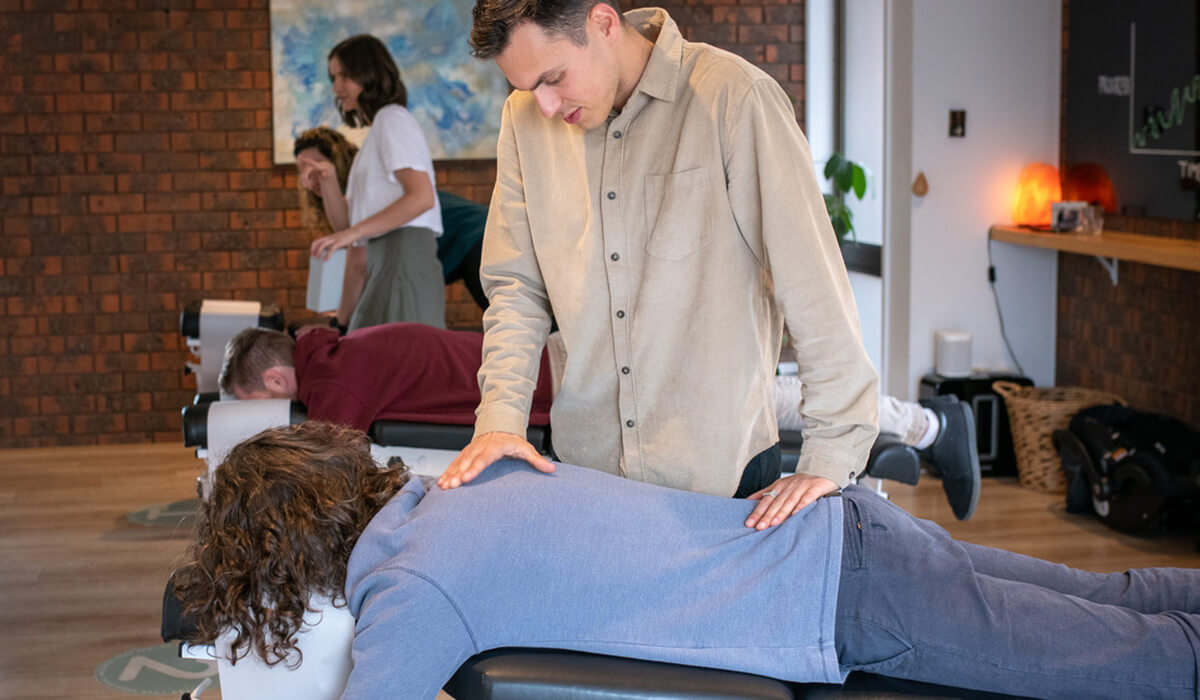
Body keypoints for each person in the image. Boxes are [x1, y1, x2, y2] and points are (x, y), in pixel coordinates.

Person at [174, 422, 1200, 700]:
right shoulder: (459, 481)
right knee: (1118, 599)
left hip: (843, 599)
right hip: (847, 529)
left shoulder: (411, 584)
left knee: (1133, 664)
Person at [441, 0, 884, 532]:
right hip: (585, 473)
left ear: (602, 24)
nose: (547, 106)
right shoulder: (524, 121)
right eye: (527, 87)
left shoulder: (734, 98)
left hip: (725, 485)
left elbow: (812, 284)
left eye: (554, 78)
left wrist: (831, 456)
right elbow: (516, 288)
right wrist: (500, 420)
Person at [220, 324, 981, 519]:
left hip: (573, 382)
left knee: (758, 399)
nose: (266, 428)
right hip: (567, 376)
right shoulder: (339, 352)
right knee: (753, 399)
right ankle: (914, 441)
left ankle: (926, 426)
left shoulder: (336, 376)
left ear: (278, 379)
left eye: (259, 411)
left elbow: (333, 460)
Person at [301, 34, 445, 331]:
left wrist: (350, 234)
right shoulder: (374, 139)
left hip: (404, 261)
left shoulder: (393, 119)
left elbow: (421, 198)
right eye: (333, 77)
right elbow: (346, 227)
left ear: (369, 74)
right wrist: (328, 180)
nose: (336, 87)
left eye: (344, 75)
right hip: (380, 265)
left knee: (397, 368)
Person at [295, 127, 489, 314]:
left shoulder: (361, 192)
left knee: (506, 326)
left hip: (480, 236)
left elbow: (359, 265)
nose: (310, 177)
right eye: (303, 170)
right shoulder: (355, 196)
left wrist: (342, 322)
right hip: (470, 240)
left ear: (336, 163)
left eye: (317, 164)